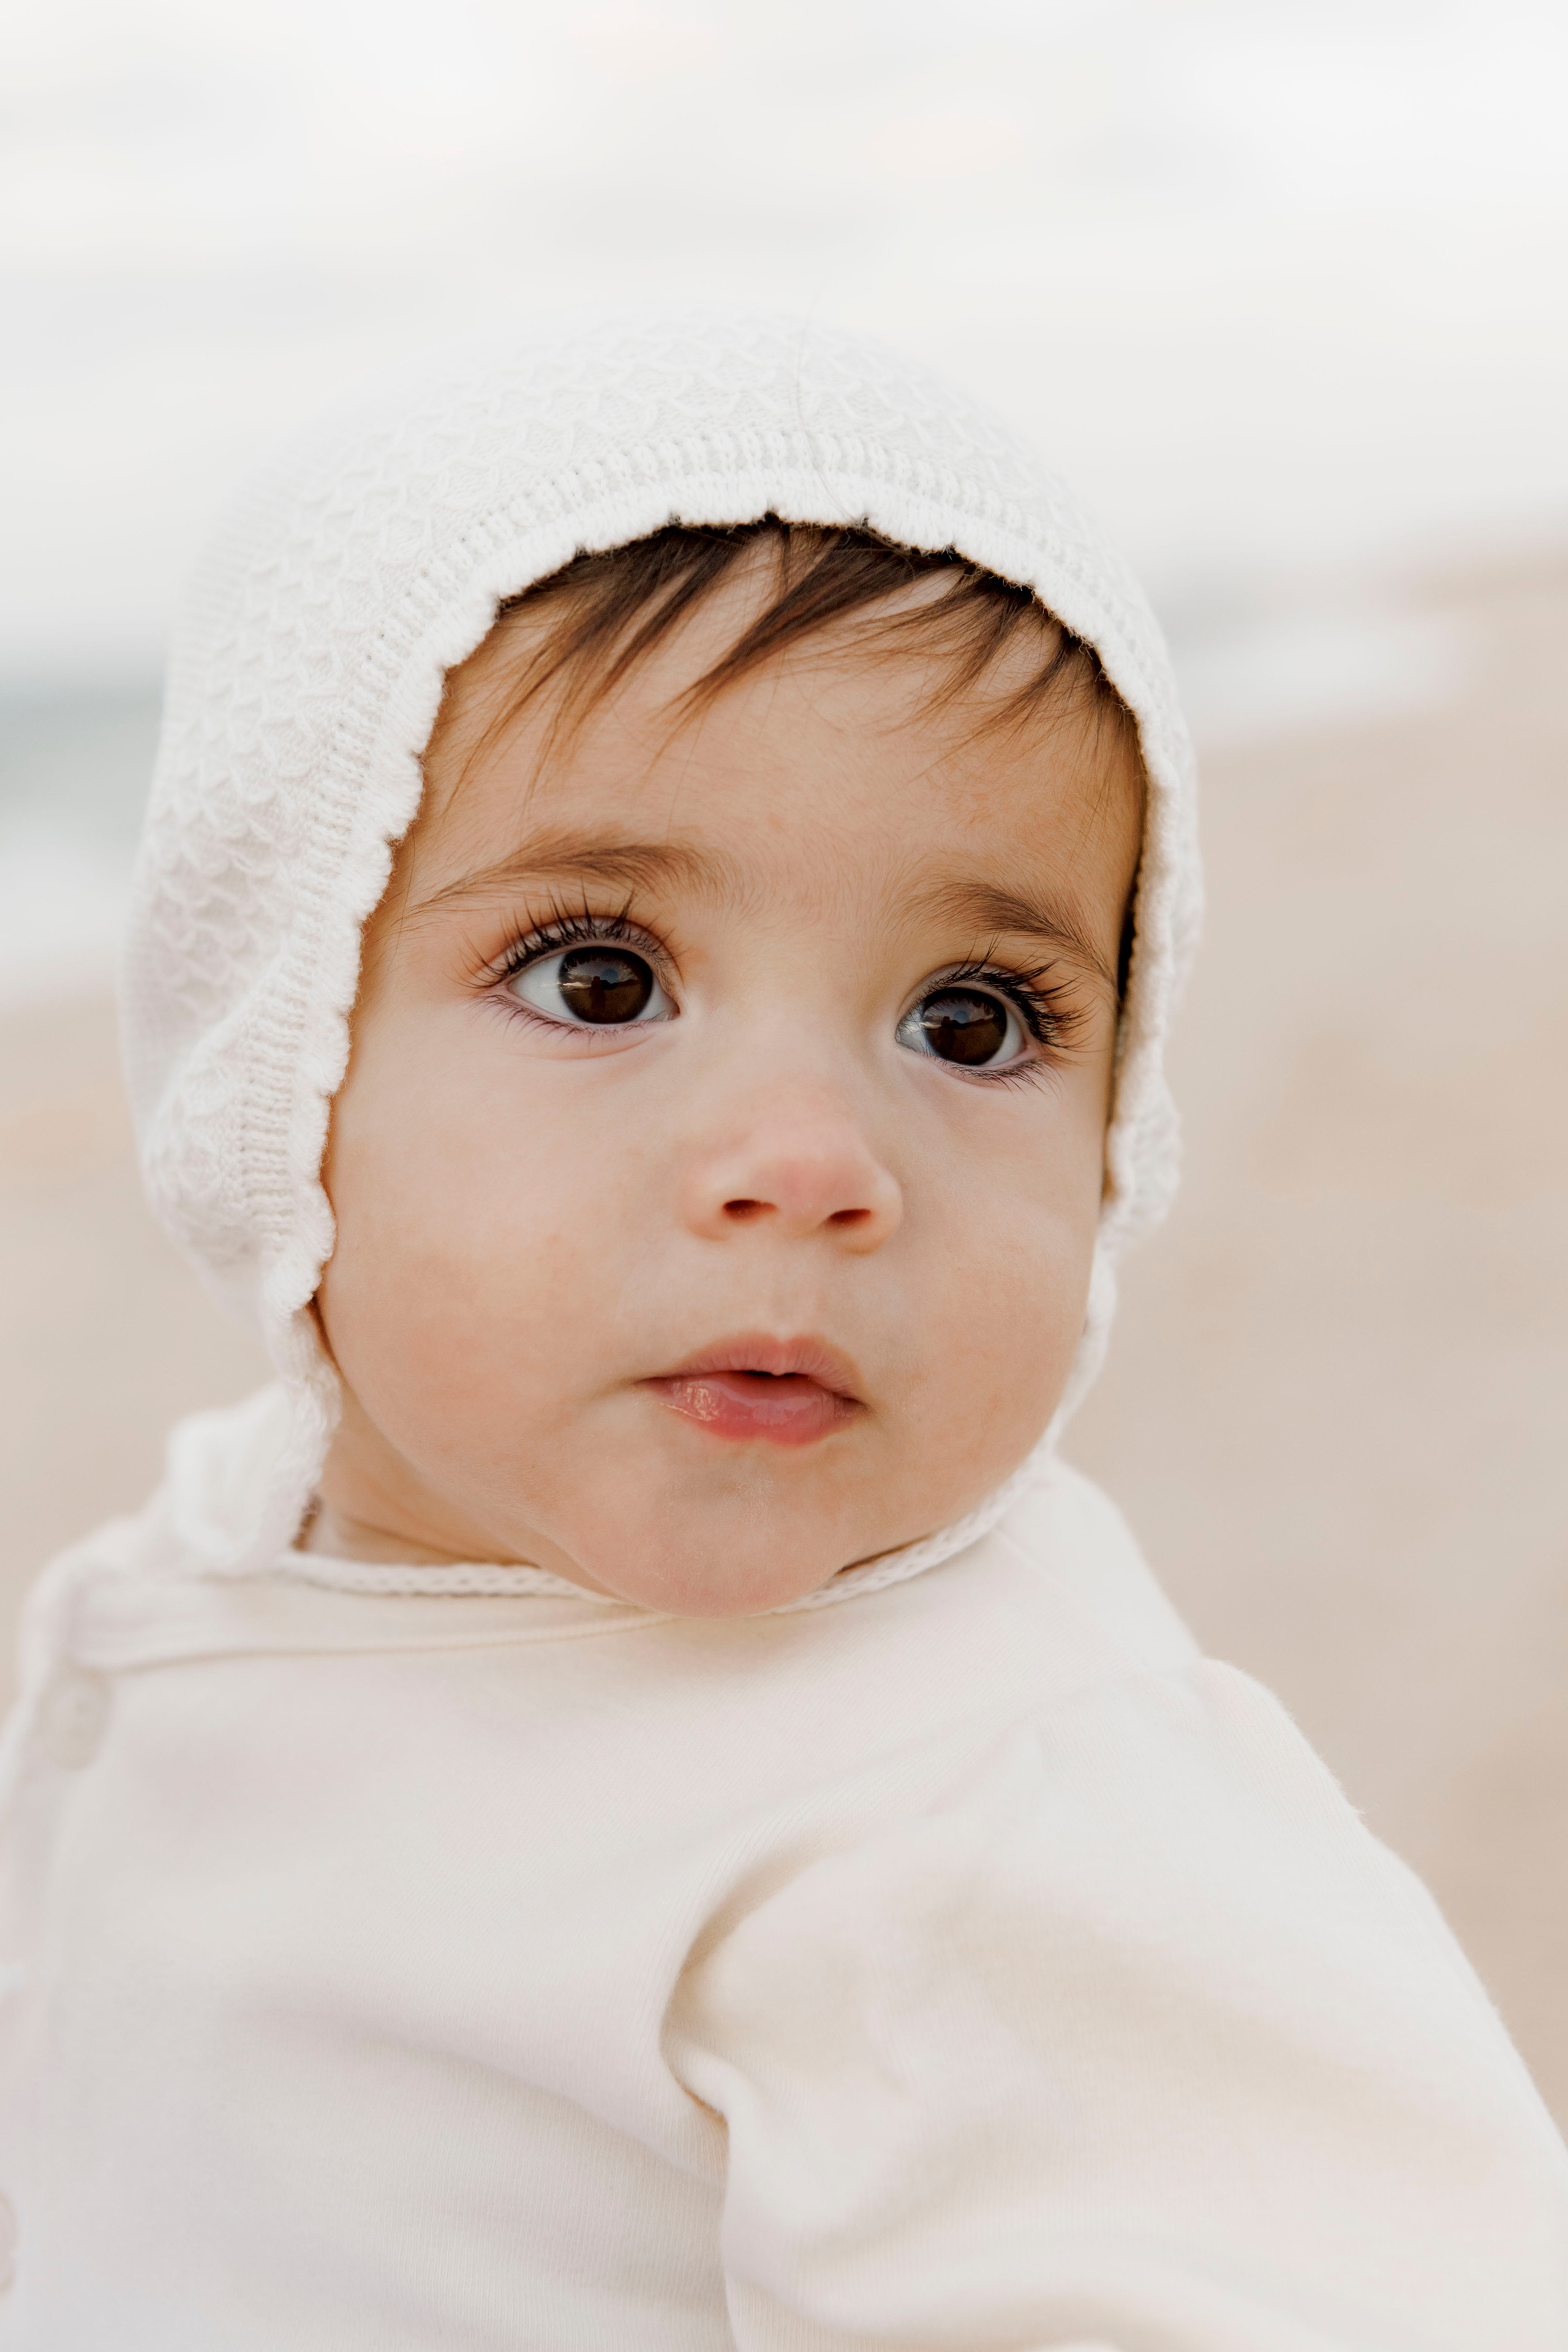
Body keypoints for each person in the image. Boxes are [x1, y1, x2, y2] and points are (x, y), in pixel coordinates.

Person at [0, 311, 1563, 2348]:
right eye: (600, 979)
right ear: (271, 1045)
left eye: (972, 1022)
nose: (817, 1164)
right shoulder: (231, 1550)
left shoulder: (989, 1817)